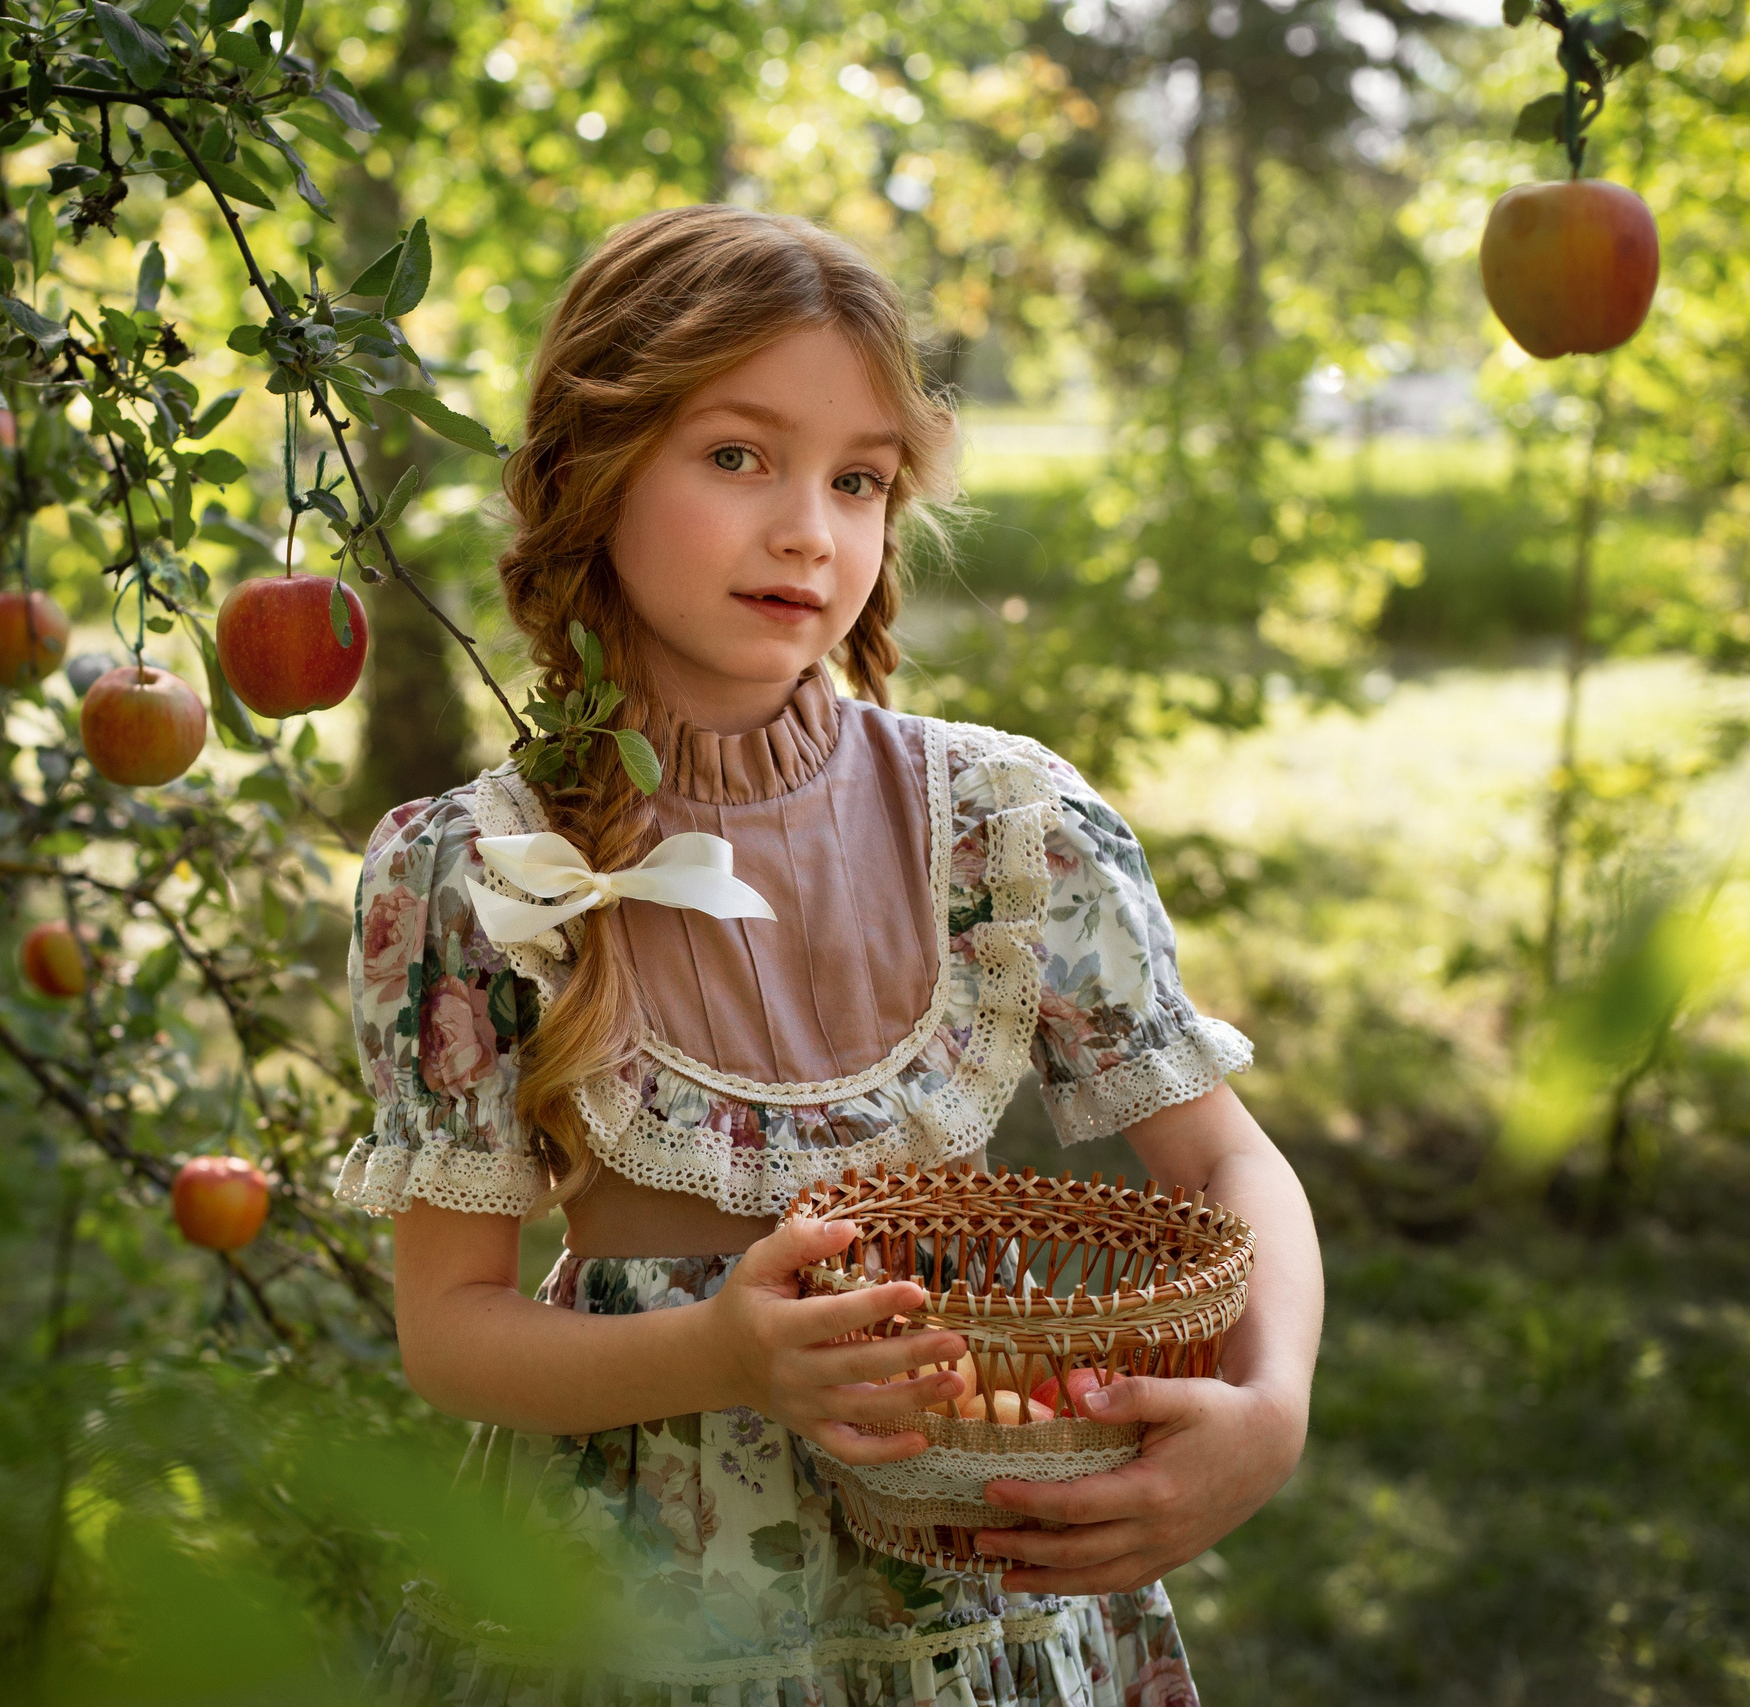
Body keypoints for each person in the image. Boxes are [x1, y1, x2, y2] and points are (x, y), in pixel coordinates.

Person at [334, 202, 1322, 1705]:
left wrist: (1270, 1407)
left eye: (859, 480)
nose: (810, 527)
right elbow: (452, 1332)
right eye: (738, 457)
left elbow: (1224, 1169)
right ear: (593, 473)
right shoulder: (471, 872)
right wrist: (725, 1355)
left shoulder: (1004, 827)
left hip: (976, 1615)